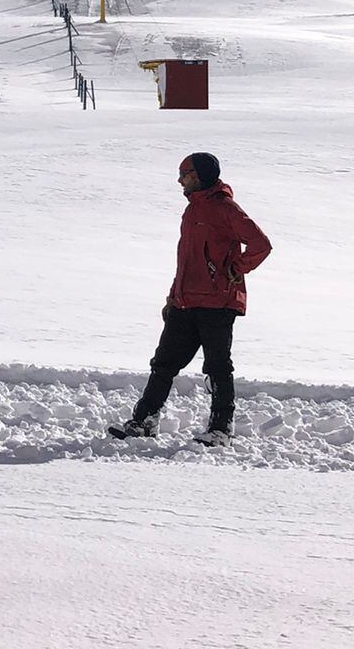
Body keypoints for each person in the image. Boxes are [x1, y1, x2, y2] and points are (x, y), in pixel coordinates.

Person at [108, 152, 271, 447]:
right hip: (186, 303)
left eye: (184, 173)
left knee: (217, 367)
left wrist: (236, 268)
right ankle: (145, 421)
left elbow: (261, 244)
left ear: (199, 175)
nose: (179, 179)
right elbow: (187, 261)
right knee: (163, 364)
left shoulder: (225, 208)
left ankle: (221, 429)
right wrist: (173, 297)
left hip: (218, 303)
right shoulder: (192, 211)